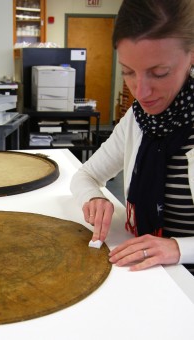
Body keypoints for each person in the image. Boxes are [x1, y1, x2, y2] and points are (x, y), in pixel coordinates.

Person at [70, 0, 194, 274]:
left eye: (159, 73)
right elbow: (85, 176)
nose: (141, 92)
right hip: (152, 273)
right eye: (128, 72)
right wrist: (94, 199)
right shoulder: (138, 120)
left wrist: (178, 247)